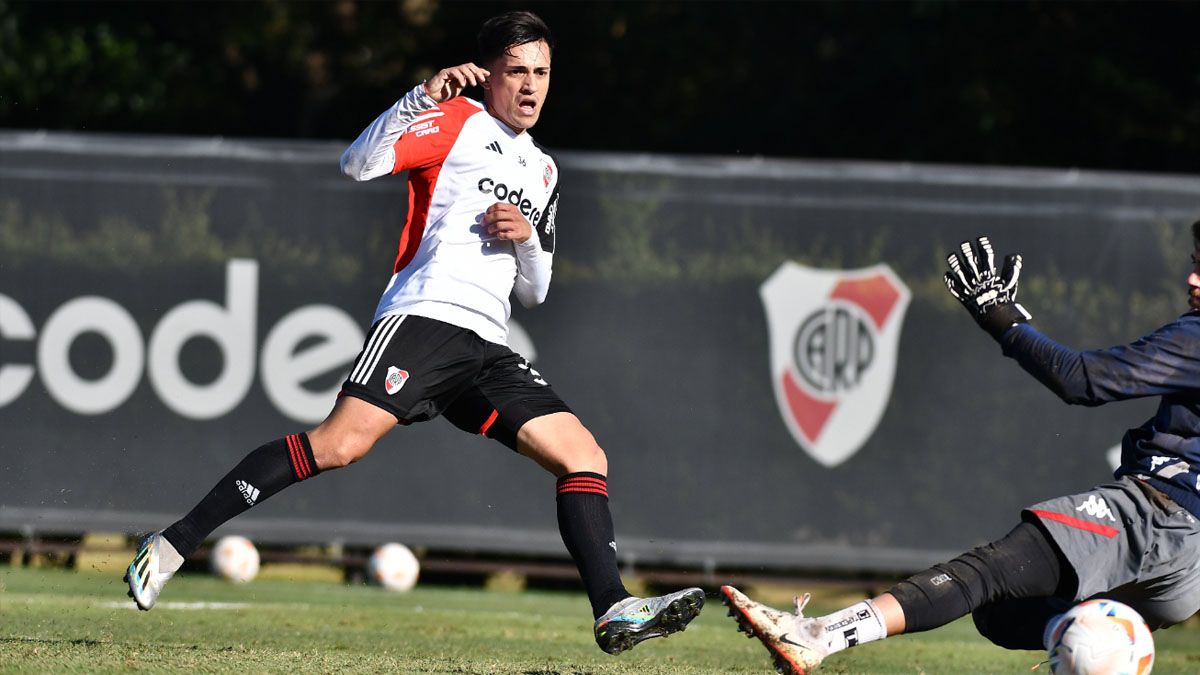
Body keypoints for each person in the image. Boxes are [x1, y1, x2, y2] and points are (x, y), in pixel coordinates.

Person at [125, 10, 703, 655]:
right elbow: (357, 164)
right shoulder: (456, 121)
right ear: (489, 76)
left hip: (488, 345)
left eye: (541, 72)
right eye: (517, 72)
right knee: (338, 446)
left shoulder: (544, 169)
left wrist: (529, 236)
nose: (532, 86)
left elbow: (535, 290)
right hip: (426, 316)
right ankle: (173, 543)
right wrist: (419, 97)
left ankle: (613, 610)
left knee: (584, 457)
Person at [721, 231, 1200, 673]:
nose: (1192, 277)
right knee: (999, 615)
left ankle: (815, 635)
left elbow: (1083, 379)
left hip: (1154, 513)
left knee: (986, 572)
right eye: (1195, 262)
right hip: (1190, 570)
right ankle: (1100, 653)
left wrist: (1002, 317)